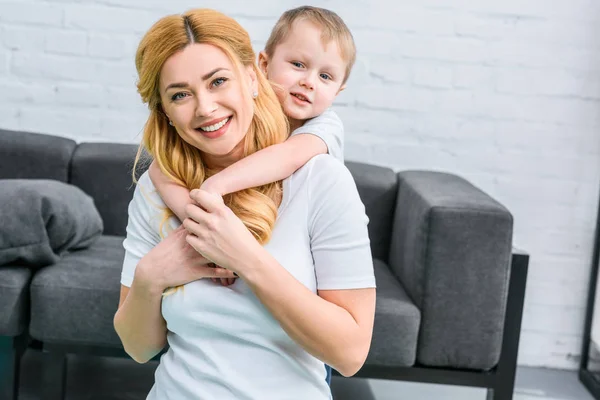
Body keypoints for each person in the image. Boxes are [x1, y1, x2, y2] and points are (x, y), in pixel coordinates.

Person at [113, 8, 376, 400]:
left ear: (253, 77)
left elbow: (350, 355)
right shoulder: (158, 191)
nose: (205, 108)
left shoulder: (320, 177)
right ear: (165, 111)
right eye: (180, 94)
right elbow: (139, 348)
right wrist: (151, 276)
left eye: (218, 81)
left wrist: (246, 258)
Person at [147, 5, 354, 284]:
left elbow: (288, 156)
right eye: (298, 65)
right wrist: (202, 230)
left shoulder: (325, 125)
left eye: (325, 77)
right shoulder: (238, 115)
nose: (309, 82)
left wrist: (215, 186)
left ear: (338, 90)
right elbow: (159, 172)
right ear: (263, 66)